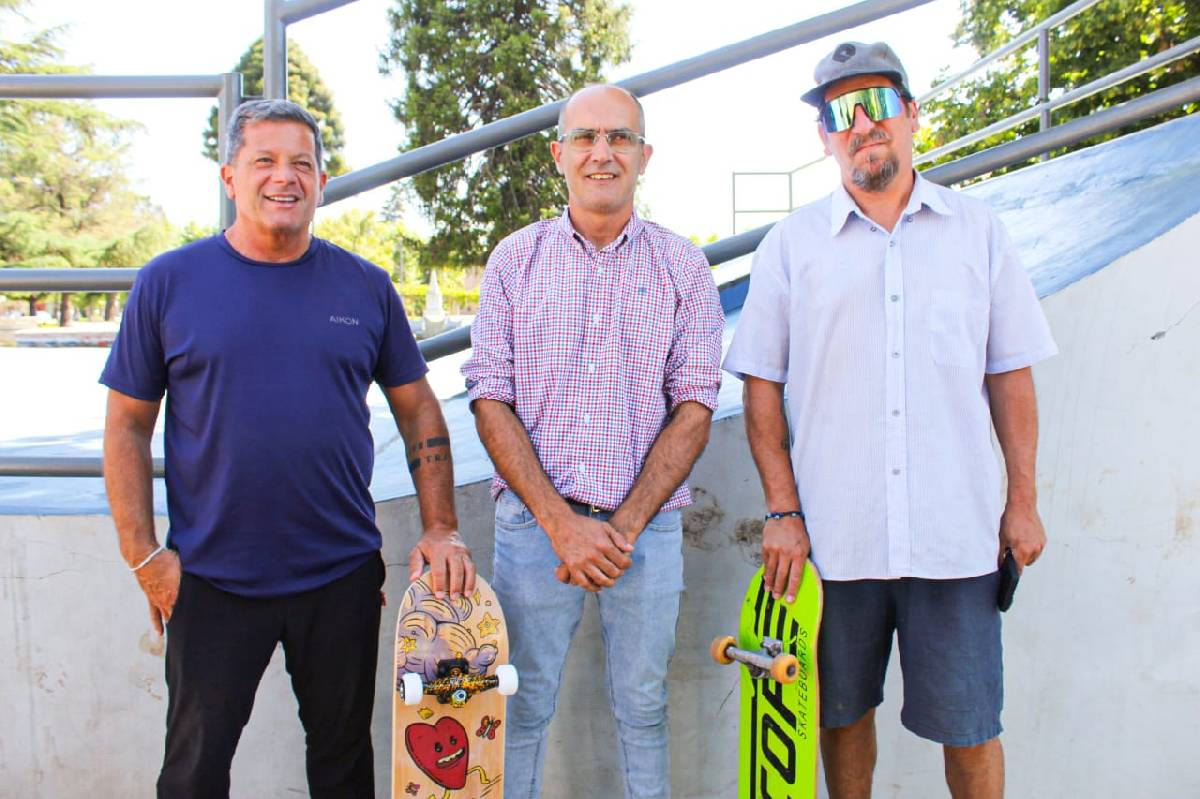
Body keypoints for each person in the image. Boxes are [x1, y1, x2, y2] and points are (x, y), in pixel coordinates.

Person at [101, 99, 474, 798]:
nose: (285, 177)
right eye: (264, 161)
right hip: (209, 578)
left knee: (342, 763)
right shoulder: (169, 282)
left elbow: (419, 405)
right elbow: (126, 423)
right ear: (229, 177)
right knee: (193, 770)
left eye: (302, 163)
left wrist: (440, 523)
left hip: (338, 574)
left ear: (322, 182)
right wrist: (142, 552)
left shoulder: (364, 286)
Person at [723, 42, 1058, 799]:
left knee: (972, 727)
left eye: (878, 102)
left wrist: (1024, 499)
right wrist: (781, 510)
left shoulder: (979, 232)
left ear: (911, 114)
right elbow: (762, 389)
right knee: (839, 720)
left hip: (958, 536)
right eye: (842, 111)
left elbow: (1010, 374)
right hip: (834, 547)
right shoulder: (790, 248)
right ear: (824, 137)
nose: (863, 122)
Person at [461, 84, 724, 798]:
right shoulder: (515, 261)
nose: (601, 153)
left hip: (649, 533)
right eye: (584, 138)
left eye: (619, 138)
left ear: (644, 156)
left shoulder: (683, 267)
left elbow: (696, 406)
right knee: (520, 705)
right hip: (532, 530)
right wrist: (561, 525)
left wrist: (622, 528)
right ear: (558, 155)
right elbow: (490, 397)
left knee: (644, 710)